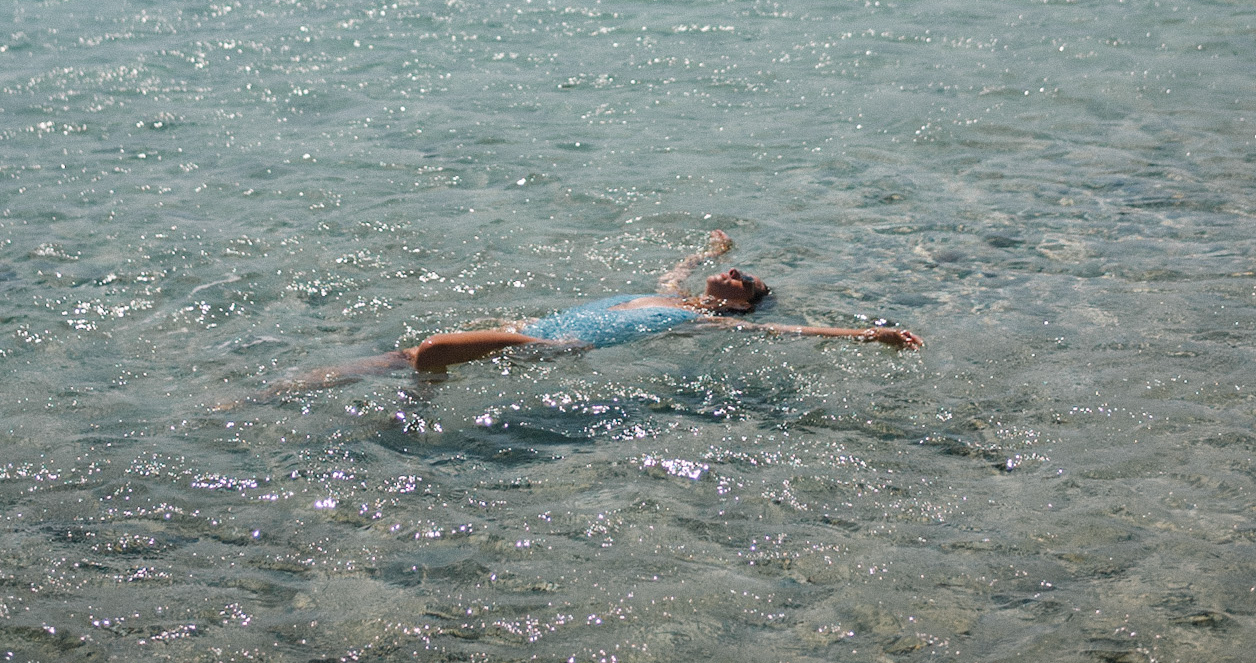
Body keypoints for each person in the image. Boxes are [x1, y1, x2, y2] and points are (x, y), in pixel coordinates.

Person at [246, 231, 921, 399]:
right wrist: (709, 248)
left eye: (744, 279)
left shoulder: (707, 321)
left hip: (553, 346)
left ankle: (420, 413)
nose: (736, 274)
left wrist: (870, 332)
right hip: (534, 329)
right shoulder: (672, 296)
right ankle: (272, 394)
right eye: (737, 269)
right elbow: (676, 270)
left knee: (432, 349)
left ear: (738, 303)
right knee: (393, 360)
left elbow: (788, 330)